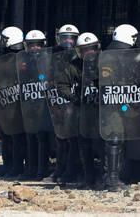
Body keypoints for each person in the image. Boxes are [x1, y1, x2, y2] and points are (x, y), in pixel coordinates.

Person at [103, 24, 140, 191]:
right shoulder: (111, 58)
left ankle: (114, 177)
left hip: (120, 103)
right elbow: (108, 81)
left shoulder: (121, 55)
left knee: (119, 139)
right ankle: (112, 180)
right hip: (111, 106)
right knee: (114, 139)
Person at [63, 32, 101, 189]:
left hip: (101, 111)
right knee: (84, 144)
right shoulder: (74, 66)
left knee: (103, 144)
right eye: (85, 50)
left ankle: (104, 178)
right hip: (83, 112)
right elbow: (60, 84)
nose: (89, 53)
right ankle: (88, 177)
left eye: (91, 49)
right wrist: (74, 98)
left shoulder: (105, 63)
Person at [51, 24, 80, 185]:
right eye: (65, 38)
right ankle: (59, 170)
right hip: (57, 100)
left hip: (73, 101)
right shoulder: (52, 55)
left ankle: (70, 171)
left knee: (73, 139)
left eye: (72, 38)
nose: (68, 41)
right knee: (60, 139)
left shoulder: (79, 56)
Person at [0, 26, 25, 177]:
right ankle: (10, 165)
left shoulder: (10, 59)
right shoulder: (22, 57)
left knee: (13, 137)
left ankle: (14, 166)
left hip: (13, 102)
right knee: (11, 137)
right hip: (11, 101)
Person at [22, 30, 51, 180]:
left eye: (38, 45)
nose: (35, 49)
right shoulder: (23, 60)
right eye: (31, 45)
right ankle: (30, 168)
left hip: (43, 104)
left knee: (42, 137)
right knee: (30, 136)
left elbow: (44, 77)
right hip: (29, 102)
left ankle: (41, 170)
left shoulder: (47, 59)